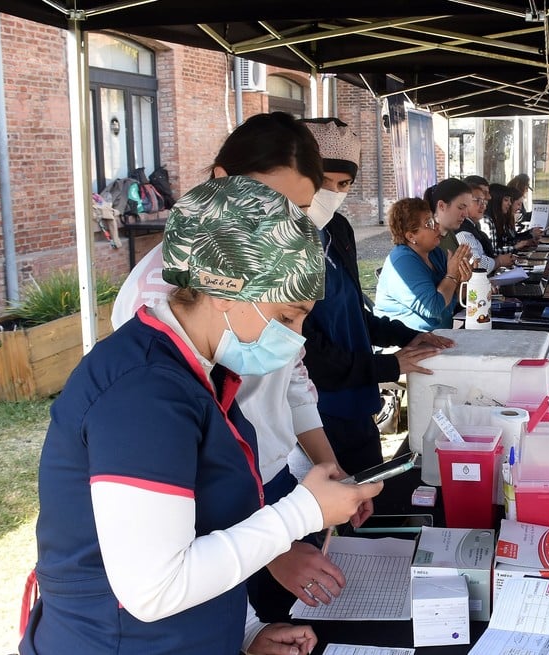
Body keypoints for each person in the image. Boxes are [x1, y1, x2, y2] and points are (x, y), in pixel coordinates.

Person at [23, 175, 383, 655]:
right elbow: (153, 588)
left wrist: (246, 632)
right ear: (224, 291)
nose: (297, 338)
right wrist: (303, 513)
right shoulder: (143, 394)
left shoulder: (202, 374)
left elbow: (206, 528)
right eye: (286, 318)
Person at [111, 112, 369, 621]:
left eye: (298, 209)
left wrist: (326, 465)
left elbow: (293, 379)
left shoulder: (273, 271)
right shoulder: (154, 335)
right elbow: (164, 567)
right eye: (268, 204)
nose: (284, 226)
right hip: (222, 505)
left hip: (270, 479)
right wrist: (275, 543)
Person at [297, 117, 455, 477]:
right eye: (324, 182)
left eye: (344, 184)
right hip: (315, 409)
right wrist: (388, 366)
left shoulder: (337, 230)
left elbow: (354, 312)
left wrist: (406, 336)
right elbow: (309, 352)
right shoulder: (287, 241)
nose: (333, 193)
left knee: (370, 497)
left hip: (358, 399)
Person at [374, 197, 472, 331]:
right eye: (429, 223)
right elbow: (433, 308)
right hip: (405, 342)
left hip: (437, 337)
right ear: (410, 236)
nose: (437, 227)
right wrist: (452, 275)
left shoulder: (435, 253)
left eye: (434, 220)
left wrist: (463, 280)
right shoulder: (403, 262)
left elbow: (448, 303)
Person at [458, 175, 515, 268]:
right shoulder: (463, 231)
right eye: (478, 200)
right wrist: (499, 261)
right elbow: (477, 264)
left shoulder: (473, 226)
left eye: (483, 202)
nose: (484, 205)